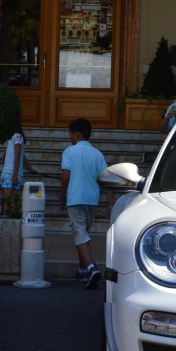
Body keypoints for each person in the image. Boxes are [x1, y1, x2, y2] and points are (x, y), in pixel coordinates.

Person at [60, 117, 108, 290]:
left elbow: (66, 176)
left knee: (79, 234)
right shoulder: (97, 154)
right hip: (92, 199)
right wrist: (109, 203)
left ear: (77, 135)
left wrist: (61, 195)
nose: (70, 138)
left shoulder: (69, 152)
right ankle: (82, 270)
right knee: (84, 235)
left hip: (75, 198)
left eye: (71, 135)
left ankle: (90, 268)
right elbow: (107, 179)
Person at [0, 124, 36, 201]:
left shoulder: (17, 137)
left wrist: (15, 174)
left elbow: (18, 155)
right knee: (8, 201)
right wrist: (29, 168)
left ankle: (24, 211)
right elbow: (20, 155)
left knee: (7, 201)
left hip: (11, 174)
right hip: (9, 174)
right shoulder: (14, 137)